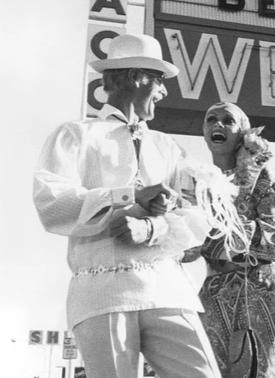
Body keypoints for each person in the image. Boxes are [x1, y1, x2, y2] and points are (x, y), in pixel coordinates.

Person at [33, 34, 221, 378]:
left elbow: (198, 217)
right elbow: (51, 204)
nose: (164, 92)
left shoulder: (168, 147)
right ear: (137, 77)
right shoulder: (76, 135)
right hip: (102, 294)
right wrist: (128, 196)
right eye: (160, 81)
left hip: (167, 289)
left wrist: (152, 228)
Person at [195, 102, 275, 378]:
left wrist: (246, 174)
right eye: (211, 119)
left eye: (227, 120)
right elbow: (186, 245)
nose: (217, 125)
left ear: (243, 132)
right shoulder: (197, 185)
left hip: (257, 288)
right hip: (213, 292)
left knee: (262, 371)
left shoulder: (269, 186)